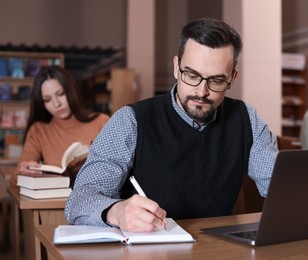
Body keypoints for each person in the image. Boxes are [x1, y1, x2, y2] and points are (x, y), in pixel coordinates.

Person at [65, 18, 278, 232]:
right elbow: (79, 201)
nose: (201, 92)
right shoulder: (130, 121)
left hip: (217, 247)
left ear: (232, 78)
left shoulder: (247, 119)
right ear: (176, 67)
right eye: (191, 75)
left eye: (216, 80)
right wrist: (116, 211)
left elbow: (281, 187)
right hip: (147, 249)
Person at [11, 65, 109, 186]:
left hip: (97, 200)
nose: (56, 104)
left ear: (71, 90)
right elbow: (14, 179)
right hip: (56, 203)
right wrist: (23, 172)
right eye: (47, 100)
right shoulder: (39, 130)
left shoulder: (101, 122)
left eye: (61, 94)